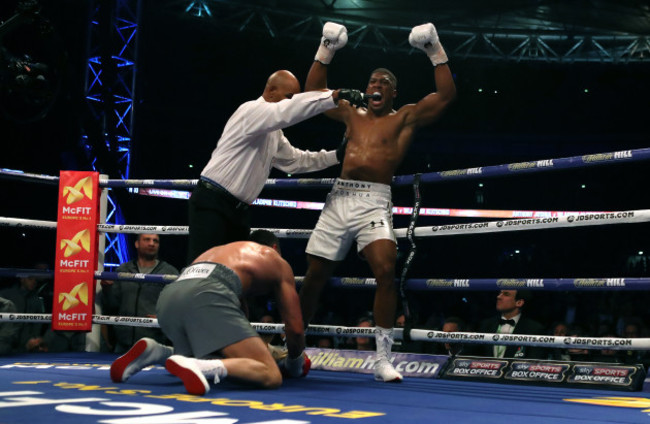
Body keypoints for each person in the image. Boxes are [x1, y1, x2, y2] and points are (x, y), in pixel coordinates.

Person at [298, 21, 456, 382]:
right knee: (313, 278)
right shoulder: (350, 111)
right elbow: (311, 94)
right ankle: (294, 350)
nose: (377, 85)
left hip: (374, 201)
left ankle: (383, 358)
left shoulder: (405, 117)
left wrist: (434, 49)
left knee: (386, 270)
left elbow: (446, 97)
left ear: (394, 93)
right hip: (340, 197)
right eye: (373, 81)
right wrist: (327, 48)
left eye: (385, 83)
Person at [186, 69, 365, 262]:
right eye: (289, 97)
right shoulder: (251, 111)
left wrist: (336, 156)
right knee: (201, 268)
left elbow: (296, 161)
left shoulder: (274, 133)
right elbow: (286, 111)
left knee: (232, 275)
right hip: (213, 202)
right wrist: (333, 96)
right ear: (270, 90)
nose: (291, 102)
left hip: (239, 212)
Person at [109, 233, 310, 395]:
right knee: (270, 374)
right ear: (274, 248)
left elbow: (236, 316)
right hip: (207, 295)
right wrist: (294, 363)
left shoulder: (225, 252)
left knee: (223, 354)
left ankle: (158, 352)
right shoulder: (276, 261)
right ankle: (200, 367)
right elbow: (295, 328)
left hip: (169, 299)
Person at [101, 233, 179, 353]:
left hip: (155, 343)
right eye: (147, 239)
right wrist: (107, 289)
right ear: (137, 244)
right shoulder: (123, 270)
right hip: (123, 343)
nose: (152, 243)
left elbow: (178, 304)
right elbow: (113, 305)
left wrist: (165, 317)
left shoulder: (170, 272)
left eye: (155, 241)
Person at [474, 290, 546, 359]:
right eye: (500, 293)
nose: (498, 297)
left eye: (506, 294)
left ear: (519, 302)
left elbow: (533, 360)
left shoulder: (534, 329)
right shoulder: (486, 324)